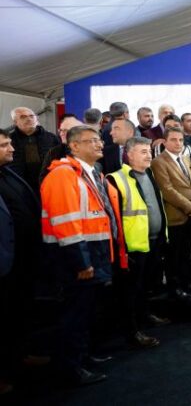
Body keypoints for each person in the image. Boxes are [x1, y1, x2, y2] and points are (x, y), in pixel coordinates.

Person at [41, 126, 127, 386]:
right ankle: (70, 368)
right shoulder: (63, 176)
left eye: (99, 140)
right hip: (76, 259)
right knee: (73, 315)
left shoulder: (91, 174)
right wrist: (82, 262)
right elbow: (66, 223)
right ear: (74, 146)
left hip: (95, 253)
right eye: (92, 141)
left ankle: (83, 356)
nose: (100, 144)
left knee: (86, 312)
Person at [106, 137, 167, 349]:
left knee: (145, 286)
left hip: (152, 241)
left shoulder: (149, 174)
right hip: (132, 247)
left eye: (149, 151)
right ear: (129, 155)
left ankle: (145, 316)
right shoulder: (116, 179)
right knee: (130, 291)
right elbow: (113, 218)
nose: (148, 155)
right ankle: (133, 332)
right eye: (143, 152)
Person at [0, 129, 43, 392]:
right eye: (5, 145)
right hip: (4, 262)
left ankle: (19, 356)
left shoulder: (9, 172)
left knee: (19, 312)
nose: (12, 148)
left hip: (22, 260)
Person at [151, 127, 191, 300]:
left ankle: (187, 282)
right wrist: (190, 206)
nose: (178, 143)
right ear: (165, 142)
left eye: (181, 140)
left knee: (186, 253)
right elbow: (167, 190)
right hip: (174, 217)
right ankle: (175, 288)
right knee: (174, 255)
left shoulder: (187, 158)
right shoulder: (159, 162)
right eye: (173, 140)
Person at [8, 107, 60, 194]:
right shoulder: (8, 140)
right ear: (15, 122)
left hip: (49, 185)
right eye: (23, 117)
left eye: (32, 116)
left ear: (37, 119)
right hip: (19, 188)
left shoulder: (51, 138)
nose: (29, 119)